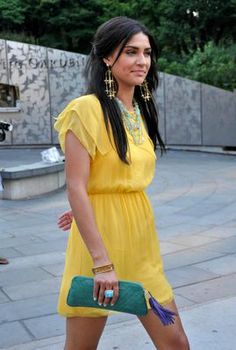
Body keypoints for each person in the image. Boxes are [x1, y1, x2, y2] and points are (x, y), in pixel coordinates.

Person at [55, 16, 190, 350]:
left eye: (146, 52)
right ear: (107, 58)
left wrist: (98, 200)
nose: (142, 61)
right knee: (81, 348)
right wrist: (102, 262)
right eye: (131, 52)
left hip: (140, 238)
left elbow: (113, 176)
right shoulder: (84, 109)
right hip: (97, 249)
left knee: (175, 343)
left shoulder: (140, 111)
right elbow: (75, 185)